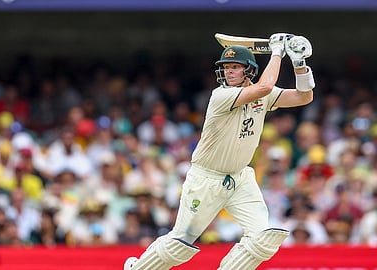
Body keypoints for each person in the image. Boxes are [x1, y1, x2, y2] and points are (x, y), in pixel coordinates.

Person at [124, 32, 315, 270]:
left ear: (250, 70)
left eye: (236, 67)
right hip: (206, 179)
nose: (229, 72)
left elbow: (304, 96)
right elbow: (265, 86)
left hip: (240, 177)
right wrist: (277, 51)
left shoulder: (262, 96)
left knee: (263, 239)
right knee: (180, 245)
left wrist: (299, 63)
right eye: (226, 67)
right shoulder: (221, 95)